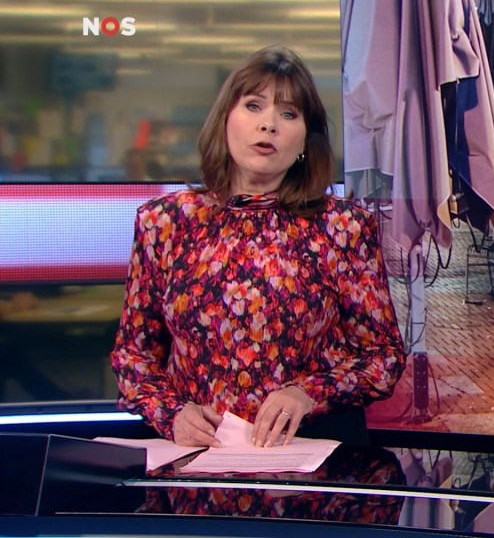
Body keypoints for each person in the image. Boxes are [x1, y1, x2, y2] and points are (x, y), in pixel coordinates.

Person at [110, 45, 406, 449]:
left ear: (306, 141)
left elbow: (383, 356)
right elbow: (133, 355)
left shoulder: (343, 227)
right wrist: (171, 412)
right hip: (197, 459)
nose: (268, 125)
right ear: (225, 119)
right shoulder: (164, 222)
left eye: (288, 114)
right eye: (253, 106)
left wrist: (307, 393)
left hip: (307, 455)